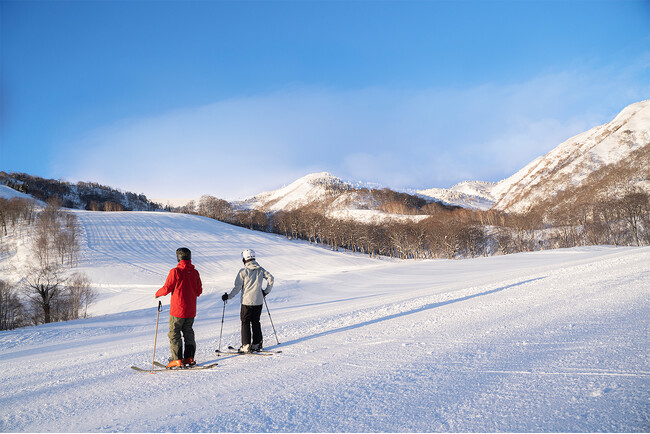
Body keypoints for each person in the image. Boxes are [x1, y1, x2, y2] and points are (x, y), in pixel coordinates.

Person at [155, 247, 203, 368]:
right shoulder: (195, 273)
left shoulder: (175, 272)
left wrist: (157, 294)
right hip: (191, 310)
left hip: (178, 310)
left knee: (174, 333)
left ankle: (177, 359)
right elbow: (199, 291)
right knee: (188, 332)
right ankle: (189, 358)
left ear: (178, 258)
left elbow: (167, 288)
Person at [222, 249, 274, 353]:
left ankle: (246, 346)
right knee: (256, 321)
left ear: (245, 259)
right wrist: (265, 292)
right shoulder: (260, 269)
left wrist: (228, 296)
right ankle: (257, 344)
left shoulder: (243, 271)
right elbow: (271, 278)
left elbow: (237, 288)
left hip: (247, 302)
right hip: (258, 301)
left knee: (245, 322)